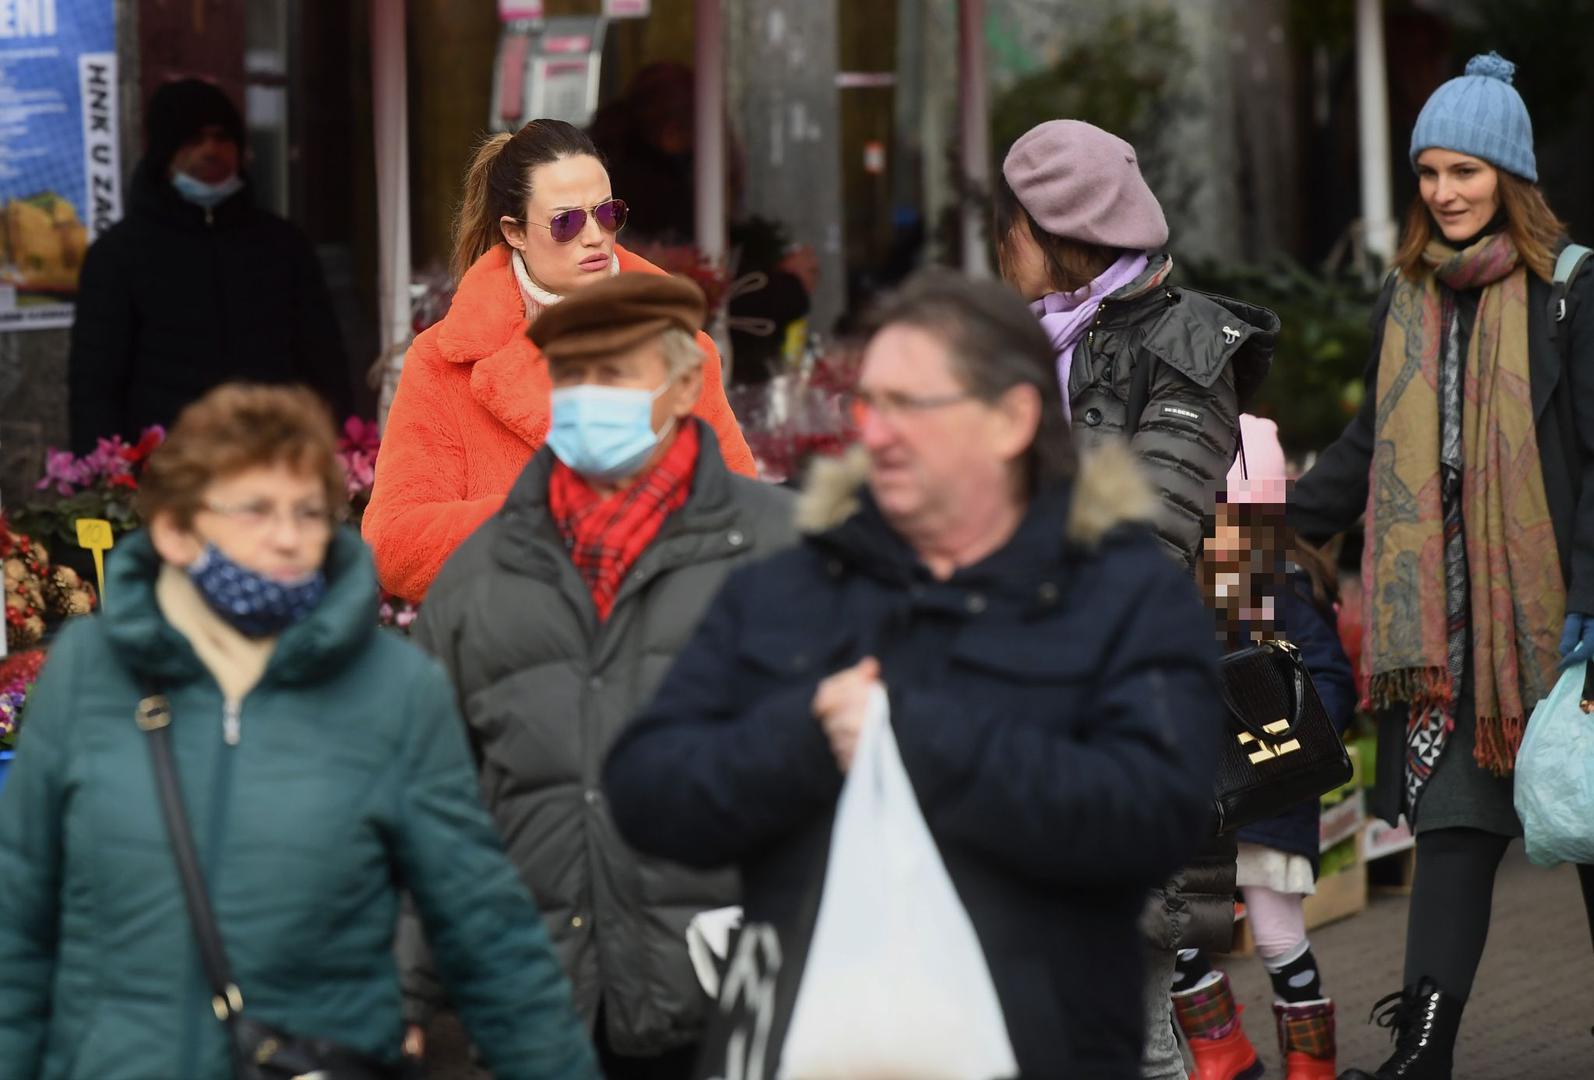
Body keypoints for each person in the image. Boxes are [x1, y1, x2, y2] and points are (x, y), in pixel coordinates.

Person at [603, 270, 1226, 1078]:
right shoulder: (792, 585)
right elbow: (647, 789)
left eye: (913, 407)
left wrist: (925, 740)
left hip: (1041, 1049)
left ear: (1012, 418)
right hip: (807, 1044)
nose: (879, 435)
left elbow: (1153, 819)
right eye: (870, 406)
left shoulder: (1120, 596)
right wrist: (800, 739)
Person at [0, 384, 597, 1080]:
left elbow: (487, 928)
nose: (287, 537)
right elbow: (20, 926)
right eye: (255, 510)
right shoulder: (89, 674)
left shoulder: (393, 690)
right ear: (175, 530)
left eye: (308, 513)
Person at [402, 273, 794, 1079]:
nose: (586, 399)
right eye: (569, 376)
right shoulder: (479, 576)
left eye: (614, 374)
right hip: (544, 1014)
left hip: (741, 1010)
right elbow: (430, 803)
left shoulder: (783, 555)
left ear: (687, 381)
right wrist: (399, 995)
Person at [1288, 53, 1594, 1080]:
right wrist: (1263, 517)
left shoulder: (1570, 296)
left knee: (1586, 825)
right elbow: (1369, 449)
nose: (1442, 193)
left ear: (1509, 174)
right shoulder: (1407, 299)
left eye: (1464, 171)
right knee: (1455, 834)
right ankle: (1421, 1051)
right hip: (1453, 637)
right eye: (1428, 173)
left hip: (1564, 621)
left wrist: (1591, 614)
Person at [995, 117, 1281, 1080]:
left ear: (1060, 230)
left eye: (1012, 225)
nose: (999, 246)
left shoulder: (1187, 346)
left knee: (1138, 1035)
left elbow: (1150, 546)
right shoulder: (1033, 345)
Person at [363, 118, 755, 602]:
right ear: (514, 232)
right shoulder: (445, 361)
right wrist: (549, 519)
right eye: (566, 222)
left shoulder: (683, 347)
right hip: (510, 655)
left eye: (608, 214)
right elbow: (395, 545)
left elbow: (739, 516)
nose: (593, 236)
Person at [1170, 416, 1355, 1080]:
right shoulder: (1173, 586)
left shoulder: (1280, 588)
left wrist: (1292, 733)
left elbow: (1331, 679)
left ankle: (1310, 1064)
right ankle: (1223, 1052)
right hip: (1199, 799)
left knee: (1279, 939)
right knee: (1176, 934)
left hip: (1269, 792)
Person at [68, 79, 351, 454]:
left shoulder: (282, 245)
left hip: (276, 461)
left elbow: (324, 364)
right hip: (167, 471)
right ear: (164, 156)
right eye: (193, 140)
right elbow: (96, 385)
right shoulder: (119, 254)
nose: (211, 150)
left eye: (222, 138)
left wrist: (338, 451)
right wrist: (105, 480)